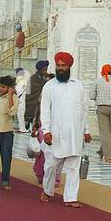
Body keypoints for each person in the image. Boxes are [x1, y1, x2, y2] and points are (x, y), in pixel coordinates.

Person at [39, 52, 91, 207]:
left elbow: (84, 110)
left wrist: (86, 130)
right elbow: (45, 109)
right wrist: (46, 130)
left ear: (69, 66)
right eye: (59, 65)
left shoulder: (78, 86)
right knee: (51, 165)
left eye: (64, 65)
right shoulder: (49, 86)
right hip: (56, 134)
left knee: (73, 168)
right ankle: (47, 190)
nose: (60, 68)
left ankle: (71, 198)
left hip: (75, 134)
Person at [93, 64, 111, 164]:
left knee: (105, 133)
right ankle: (101, 151)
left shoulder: (97, 81)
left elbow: (91, 96)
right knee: (107, 132)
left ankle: (110, 156)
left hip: (102, 108)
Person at [23, 60, 52, 131]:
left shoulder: (46, 77)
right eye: (43, 70)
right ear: (39, 70)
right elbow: (30, 95)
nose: (45, 71)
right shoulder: (33, 79)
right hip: (34, 107)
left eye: (46, 69)